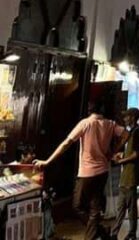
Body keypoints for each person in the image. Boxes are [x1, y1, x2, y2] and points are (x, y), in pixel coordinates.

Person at [35, 99, 125, 240]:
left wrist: (48, 161)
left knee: (77, 206)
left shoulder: (85, 123)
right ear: (101, 110)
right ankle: (101, 232)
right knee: (95, 208)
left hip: (87, 172)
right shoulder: (110, 124)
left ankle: (96, 233)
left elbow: (66, 143)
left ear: (89, 110)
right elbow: (126, 134)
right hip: (103, 171)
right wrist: (113, 150)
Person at [110, 108, 139, 240]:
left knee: (130, 207)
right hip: (127, 174)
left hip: (131, 174)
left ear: (132, 117)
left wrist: (121, 161)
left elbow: (136, 154)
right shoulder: (133, 132)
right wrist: (122, 155)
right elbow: (132, 152)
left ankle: (131, 233)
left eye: (126, 117)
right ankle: (115, 233)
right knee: (123, 206)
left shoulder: (137, 133)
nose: (124, 119)